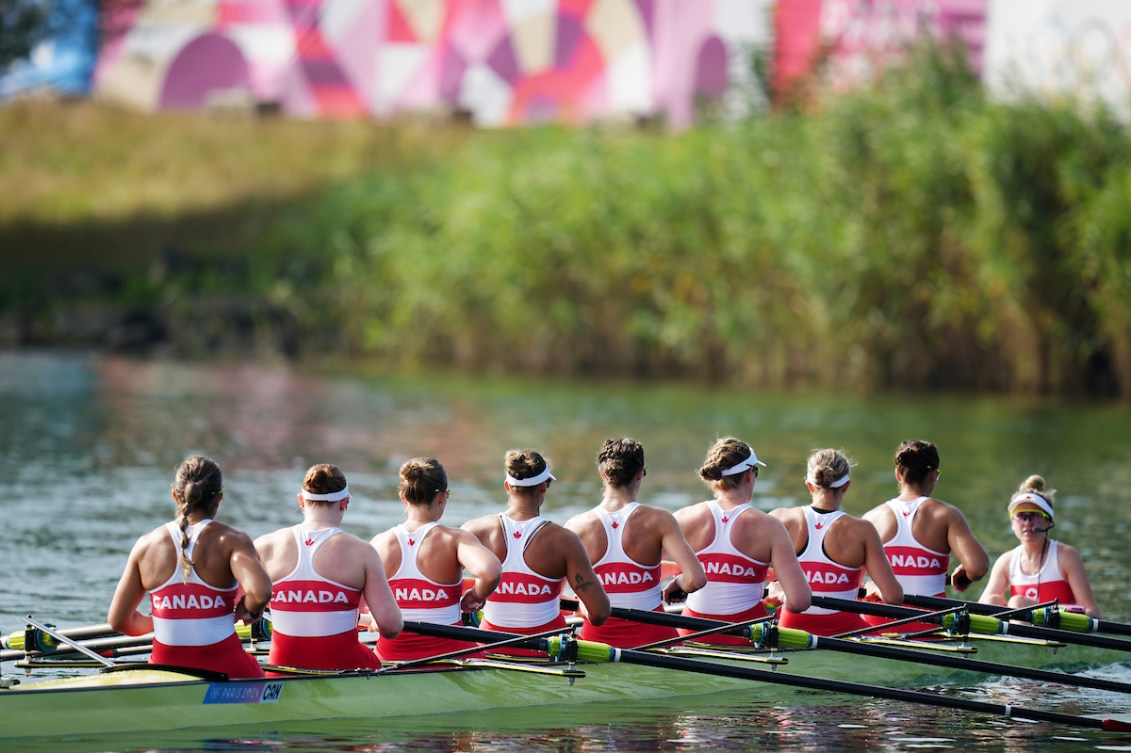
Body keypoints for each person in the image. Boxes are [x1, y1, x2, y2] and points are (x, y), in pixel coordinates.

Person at [108, 454, 272, 679]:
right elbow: (261, 592)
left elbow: (119, 621)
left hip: (164, 670)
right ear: (219, 499)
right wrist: (249, 608)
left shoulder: (145, 545)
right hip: (227, 668)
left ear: (175, 496)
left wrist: (169, 616)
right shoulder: (232, 541)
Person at [254, 463, 402, 671]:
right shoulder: (362, 552)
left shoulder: (263, 546)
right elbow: (391, 627)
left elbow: (244, 608)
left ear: (301, 501)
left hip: (280, 670)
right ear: (344, 503)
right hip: (346, 668)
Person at [462, 448, 610, 654]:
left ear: (507, 486)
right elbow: (600, 613)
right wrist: (580, 607)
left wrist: (477, 595)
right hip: (547, 652)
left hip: (489, 649)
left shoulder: (472, 531)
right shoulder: (565, 540)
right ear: (543, 487)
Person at [565, 438, 706, 647]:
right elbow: (695, 579)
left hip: (597, 643)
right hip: (656, 639)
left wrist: (581, 606)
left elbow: (553, 594)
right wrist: (677, 584)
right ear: (640, 473)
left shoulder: (575, 526)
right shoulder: (659, 520)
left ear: (601, 473)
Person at [673, 437, 811, 645]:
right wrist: (779, 593)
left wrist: (677, 581)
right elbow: (800, 601)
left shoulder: (682, 518)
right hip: (746, 638)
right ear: (749, 475)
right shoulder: (770, 527)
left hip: (690, 634)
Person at [371, 457, 502, 661]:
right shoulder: (455, 539)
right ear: (442, 497)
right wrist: (475, 596)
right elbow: (490, 572)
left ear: (403, 497)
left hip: (391, 654)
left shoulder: (379, 543)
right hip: (451, 653)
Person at [769, 449, 903, 636]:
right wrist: (874, 588)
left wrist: (777, 587)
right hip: (845, 630)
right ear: (847, 486)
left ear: (809, 485)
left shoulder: (779, 519)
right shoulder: (863, 530)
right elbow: (893, 597)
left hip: (791, 629)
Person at [863, 439, 989, 595]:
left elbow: (851, 577)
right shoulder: (946, 515)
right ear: (933, 475)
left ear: (898, 474)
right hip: (929, 618)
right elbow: (977, 568)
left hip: (879, 617)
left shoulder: (872, 517)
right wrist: (965, 570)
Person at [979, 475, 1100, 617]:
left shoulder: (1066, 556)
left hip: (1059, 632)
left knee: (1018, 603)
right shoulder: (1005, 561)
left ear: (1049, 521)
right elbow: (978, 610)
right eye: (1021, 516)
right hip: (1022, 631)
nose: (1027, 522)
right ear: (1012, 523)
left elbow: (1093, 612)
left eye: (1034, 515)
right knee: (990, 601)